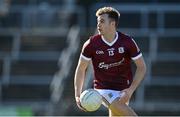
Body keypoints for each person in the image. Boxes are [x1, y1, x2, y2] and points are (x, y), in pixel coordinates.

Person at [74, 6, 146, 116]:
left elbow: (142, 67)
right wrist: (77, 94)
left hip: (123, 91)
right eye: (98, 22)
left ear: (112, 24)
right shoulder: (91, 44)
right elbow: (81, 68)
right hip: (102, 90)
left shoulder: (127, 42)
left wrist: (130, 90)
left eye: (102, 21)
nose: (98, 25)